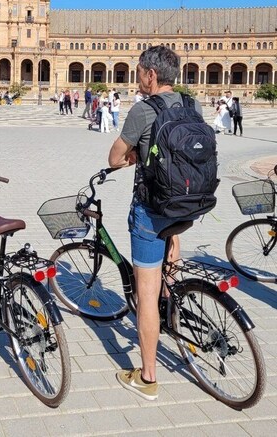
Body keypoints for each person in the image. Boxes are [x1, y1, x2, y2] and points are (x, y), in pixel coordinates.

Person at [107, 45, 205, 401]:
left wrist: (132, 156)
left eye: (139, 72)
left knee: (144, 294)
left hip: (153, 210)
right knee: (172, 243)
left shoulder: (143, 110)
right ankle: (172, 298)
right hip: (190, 204)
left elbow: (115, 157)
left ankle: (147, 377)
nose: (137, 77)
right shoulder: (193, 105)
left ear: (151, 74)